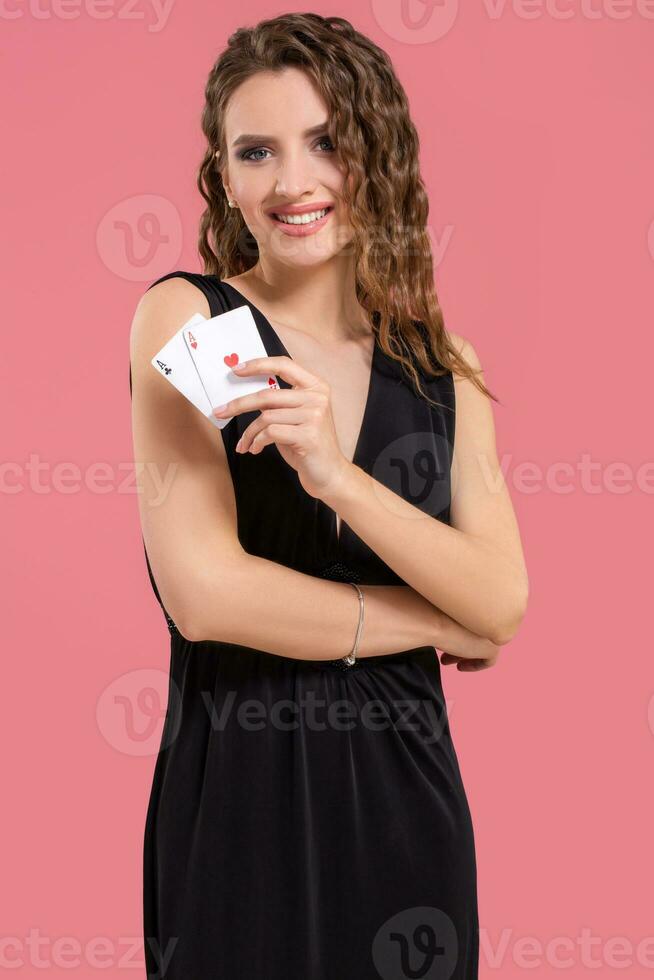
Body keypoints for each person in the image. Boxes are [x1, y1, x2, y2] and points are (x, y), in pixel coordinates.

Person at [129, 13, 529, 979]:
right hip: (239, 795)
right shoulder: (196, 320)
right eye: (256, 151)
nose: (292, 182)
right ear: (225, 176)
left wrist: (338, 478)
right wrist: (433, 618)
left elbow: (502, 601)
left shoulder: (443, 367)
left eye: (325, 143)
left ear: (375, 155)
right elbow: (206, 594)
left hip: (409, 803)